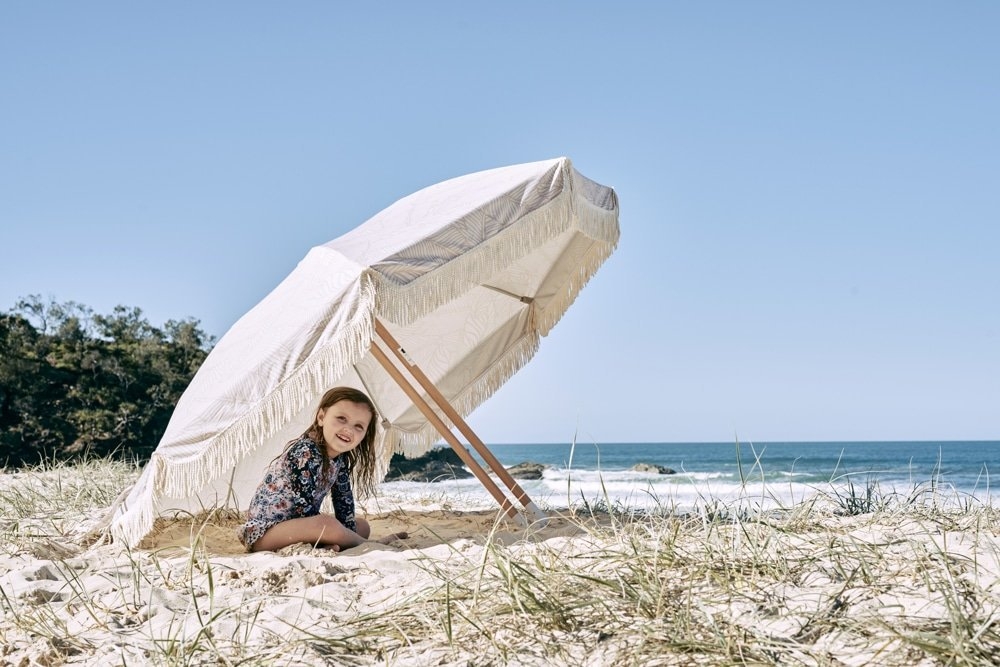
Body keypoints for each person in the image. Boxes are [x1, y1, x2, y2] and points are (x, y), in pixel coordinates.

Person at [239, 386, 407, 552]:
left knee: (362, 526)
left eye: (358, 426)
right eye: (341, 418)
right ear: (321, 417)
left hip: (298, 527)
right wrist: (338, 533)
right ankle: (365, 545)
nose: (348, 429)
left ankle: (337, 544)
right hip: (265, 533)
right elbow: (302, 508)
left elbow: (344, 502)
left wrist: (348, 531)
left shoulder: (339, 459)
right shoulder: (306, 452)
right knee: (327, 524)